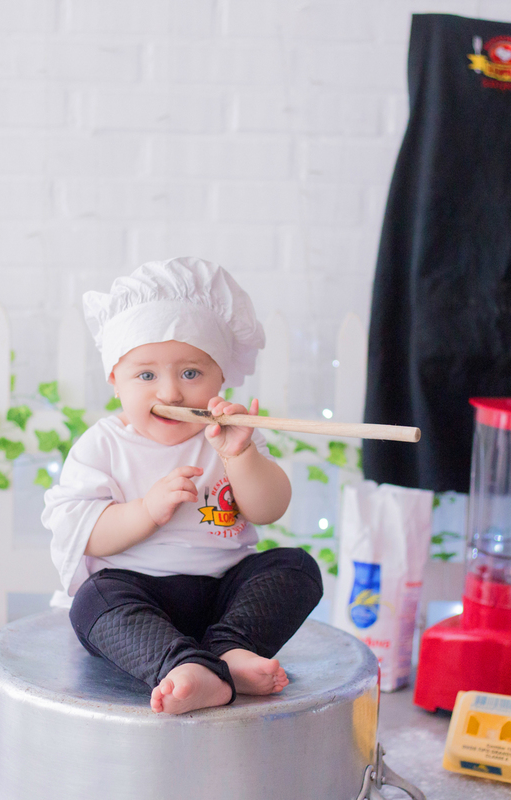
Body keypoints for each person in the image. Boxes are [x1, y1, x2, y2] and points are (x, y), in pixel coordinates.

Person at [42, 256, 324, 715]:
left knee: (296, 568)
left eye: (191, 373)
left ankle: (230, 651)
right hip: (138, 593)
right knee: (92, 601)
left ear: (221, 378)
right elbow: (83, 531)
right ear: (116, 380)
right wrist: (146, 510)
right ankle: (182, 666)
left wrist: (241, 456)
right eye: (146, 375)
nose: (171, 393)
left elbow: (269, 507)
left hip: (223, 596)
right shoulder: (104, 444)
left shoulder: (230, 435)